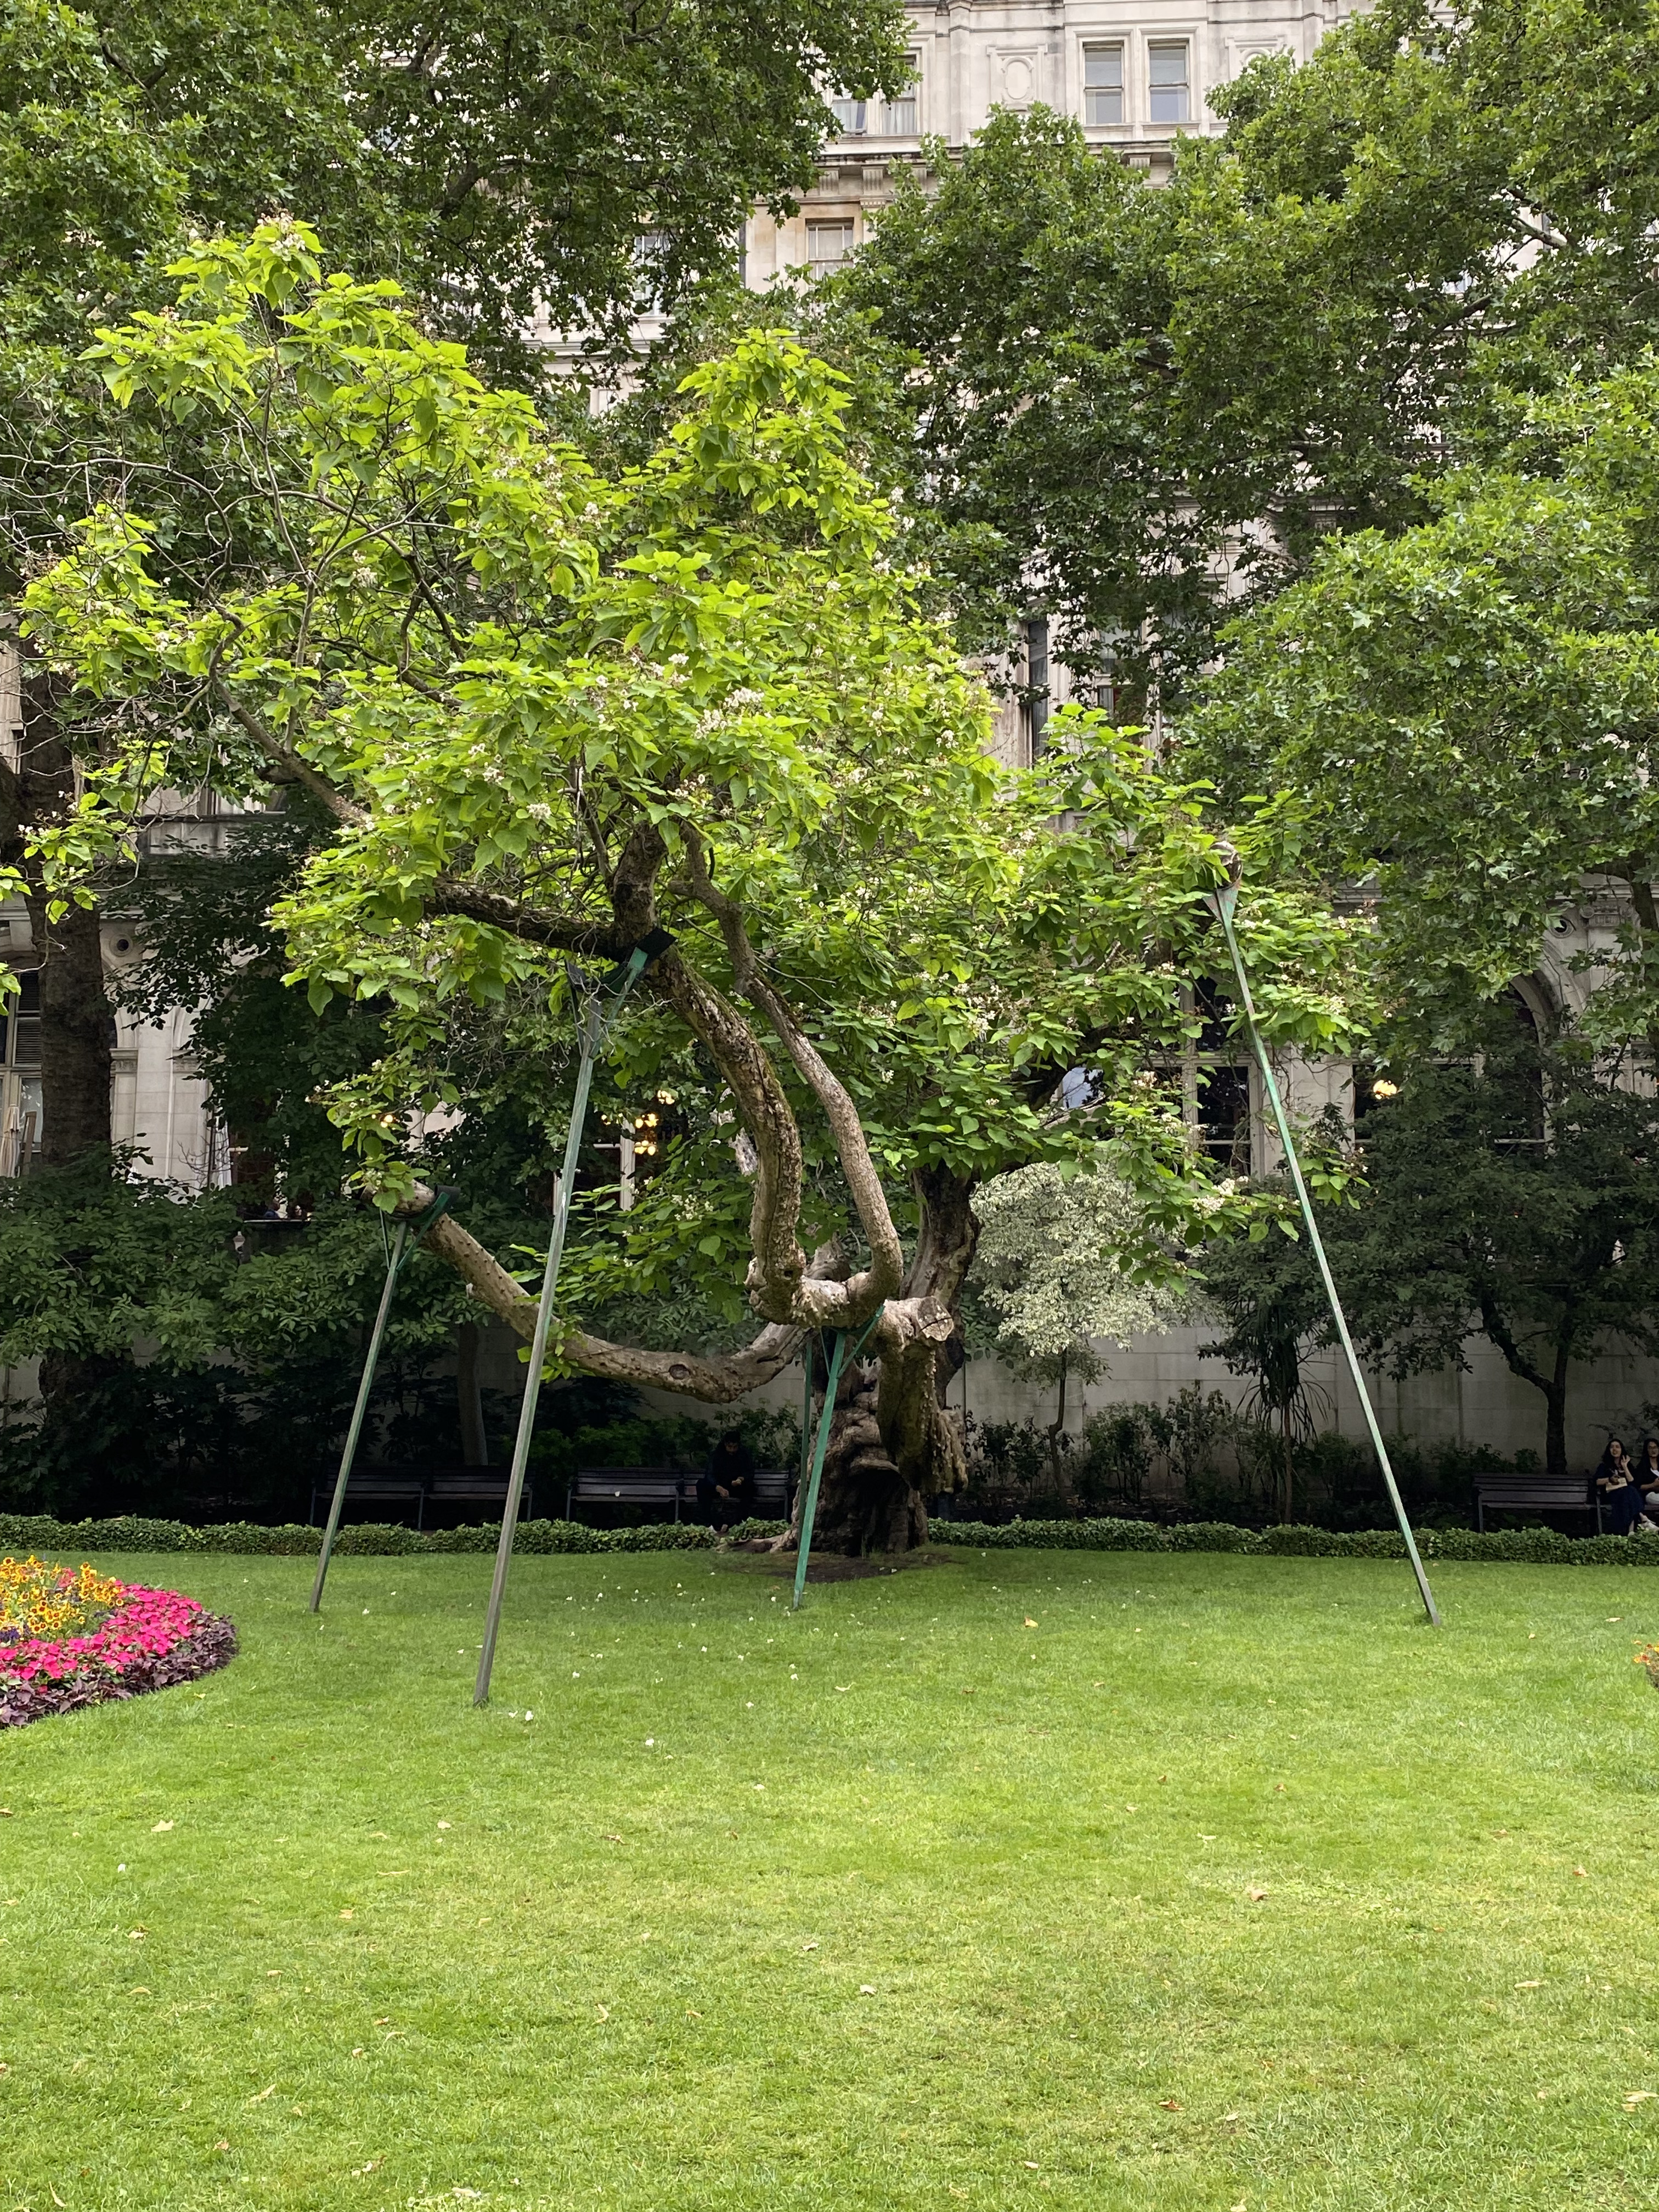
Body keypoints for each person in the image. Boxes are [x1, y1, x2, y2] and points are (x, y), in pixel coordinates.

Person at [698, 1430, 756, 1530]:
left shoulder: (744, 1454)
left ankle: (740, 1522)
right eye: (730, 1447)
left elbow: (749, 1472)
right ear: (725, 1444)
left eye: (735, 1447)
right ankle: (708, 1523)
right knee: (701, 1485)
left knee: (750, 1487)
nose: (732, 1450)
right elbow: (710, 1474)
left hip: (736, 1487)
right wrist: (717, 1487)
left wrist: (741, 1479)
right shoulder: (717, 1455)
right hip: (719, 1486)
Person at [1596, 1437, 1646, 1534]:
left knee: (1629, 1492)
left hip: (1626, 1496)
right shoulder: (1604, 1466)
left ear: (1622, 1450)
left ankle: (1631, 1532)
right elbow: (1597, 1481)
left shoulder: (1628, 1466)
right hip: (1612, 1494)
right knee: (1629, 1492)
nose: (1615, 1449)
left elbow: (1632, 1482)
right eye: (1612, 1447)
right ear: (1609, 1450)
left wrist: (1625, 1467)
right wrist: (1610, 1479)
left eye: (1618, 1447)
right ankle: (1641, 1518)